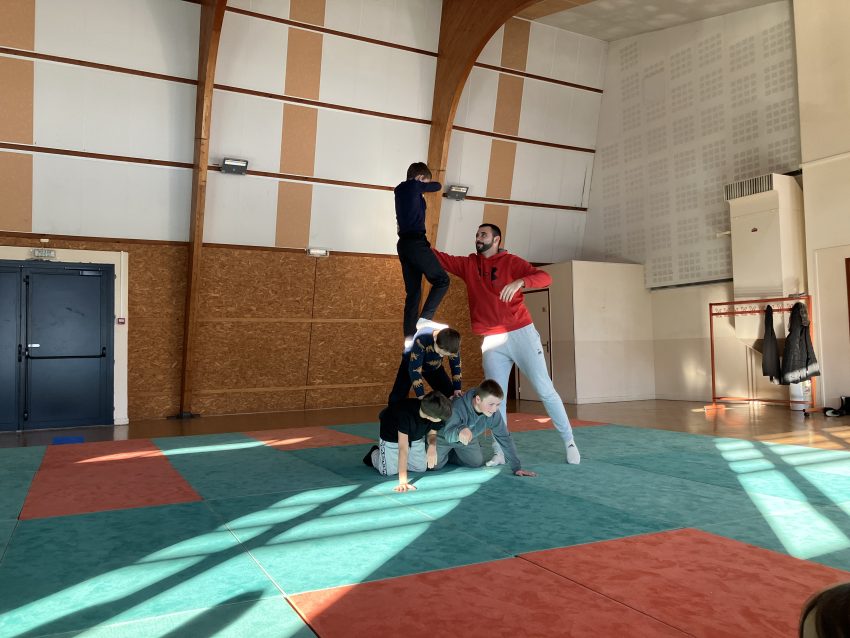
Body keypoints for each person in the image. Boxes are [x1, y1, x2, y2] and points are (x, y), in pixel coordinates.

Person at [432, 223, 580, 466]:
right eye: (477, 234)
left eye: (483, 235)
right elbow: (441, 258)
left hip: (521, 333)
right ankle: (499, 451)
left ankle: (569, 441)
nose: (478, 238)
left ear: (496, 240)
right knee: (493, 398)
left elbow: (546, 277)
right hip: (492, 339)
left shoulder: (512, 262)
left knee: (545, 389)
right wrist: (413, 238)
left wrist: (520, 281)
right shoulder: (469, 264)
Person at [435, 379, 536, 477]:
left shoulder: (494, 414)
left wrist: (517, 467)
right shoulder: (457, 406)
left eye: (498, 404)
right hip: (445, 437)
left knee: (475, 463)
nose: (494, 409)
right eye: (491, 404)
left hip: (468, 438)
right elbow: (448, 434)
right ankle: (443, 452)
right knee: (434, 466)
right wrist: (460, 431)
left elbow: (505, 438)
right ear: (478, 399)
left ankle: (450, 455)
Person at [395, 162, 450, 339]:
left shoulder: (407, 193)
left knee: (413, 293)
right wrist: (424, 185)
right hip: (414, 243)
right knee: (442, 280)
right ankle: (425, 319)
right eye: (424, 182)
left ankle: (409, 337)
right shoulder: (410, 187)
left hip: (407, 244)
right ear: (419, 178)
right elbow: (437, 186)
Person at [363, 391, 452, 492]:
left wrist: (432, 446)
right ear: (430, 417)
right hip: (392, 434)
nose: (442, 420)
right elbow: (403, 448)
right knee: (388, 471)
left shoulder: (434, 413)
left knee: (420, 468)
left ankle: (400, 461)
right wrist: (403, 482)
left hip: (415, 434)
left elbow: (432, 433)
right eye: (440, 418)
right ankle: (374, 453)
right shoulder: (405, 414)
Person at [387, 324, 462, 404]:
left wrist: (457, 388)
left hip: (433, 366)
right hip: (411, 363)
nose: (441, 356)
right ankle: (392, 410)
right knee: (396, 398)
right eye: (440, 352)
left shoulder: (452, 343)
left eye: (444, 355)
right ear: (435, 340)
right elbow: (414, 370)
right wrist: (421, 395)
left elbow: (455, 365)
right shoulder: (422, 337)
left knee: (451, 394)